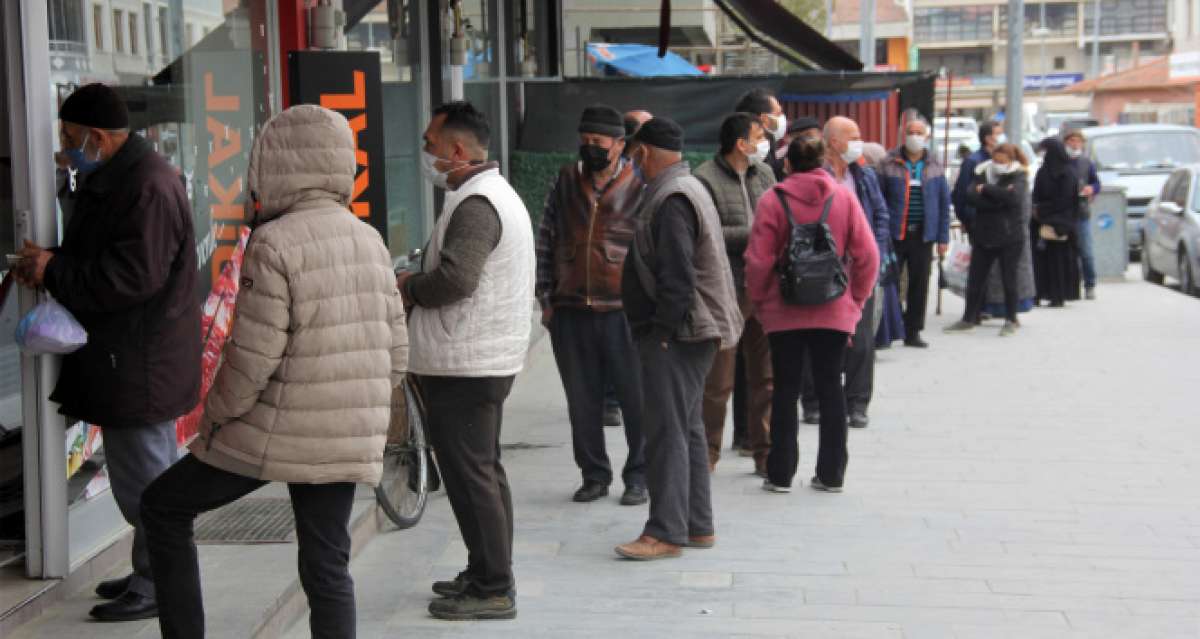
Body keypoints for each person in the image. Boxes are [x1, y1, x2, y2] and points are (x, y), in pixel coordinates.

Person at [138, 105, 406, 639]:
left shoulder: (275, 242)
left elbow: (251, 359)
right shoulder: (370, 239)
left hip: (272, 428)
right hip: (344, 434)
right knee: (328, 565)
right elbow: (397, 353)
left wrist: (213, 419)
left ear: (275, 166)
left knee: (162, 507)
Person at [13, 83, 199, 622]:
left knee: (147, 481)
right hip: (135, 357)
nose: (64, 150)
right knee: (146, 476)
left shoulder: (147, 186)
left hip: (139, 361)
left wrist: (54, 270)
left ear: (96, 137)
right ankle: (150, 570)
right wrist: (54, 261)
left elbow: (129, 278)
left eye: (70, 139)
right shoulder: (126, 178)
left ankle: (162, 581)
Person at [401, 101, 535, 620]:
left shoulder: (477, 204)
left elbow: (456, 280)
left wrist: (408, 285)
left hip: (468, 362)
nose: (426, 153)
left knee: (471, 472)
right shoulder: (483, 195)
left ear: (457, 150)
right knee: (482, 470)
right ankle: (486, 569)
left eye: (430, 144)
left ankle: (493, 587)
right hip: (476, 357)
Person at [615, 117, 742, 561]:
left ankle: (665, 531)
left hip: (681, 333)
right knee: (686, 428)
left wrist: (663, 334)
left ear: (644, 153)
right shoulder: (687, 187)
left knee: (666, 431)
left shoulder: (671, 197)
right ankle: (696, 523)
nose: (632, 164)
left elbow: (677, 277)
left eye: (632, 155)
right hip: (693, 330)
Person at [745, 136, 879, 493]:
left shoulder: (772, 200)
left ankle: (780, 474)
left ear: (788, 165)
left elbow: (758, 261)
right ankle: (832, 474)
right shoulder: (844, 198)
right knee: (831, 389)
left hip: (783, 312)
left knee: (786, 390)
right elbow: (868, 256)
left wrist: (761, 303)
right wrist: (855, 302)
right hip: (834, 310)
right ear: (825, 162)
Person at [536, 105, 647, 506]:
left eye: (598, 143)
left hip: (624, 311)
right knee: (581, 402)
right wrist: (546, 301)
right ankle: (594, 474)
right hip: (570, 310)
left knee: (636, 401)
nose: (590, 149)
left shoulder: (640, 185)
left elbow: (650, 250)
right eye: (585, 142)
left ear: (620, 144)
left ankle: (639, 476)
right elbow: (546, 240)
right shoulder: (565, 180)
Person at [694, 112, 776, 474]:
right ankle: (707, 454)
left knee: (766, 377)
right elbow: (705, 232)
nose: (764, 142)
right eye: (759, 136)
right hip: (723, 288)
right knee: (718, 380)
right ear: (741, 144)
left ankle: (764, 453)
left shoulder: (766, 175)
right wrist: (754, 233)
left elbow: (776, 221)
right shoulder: (703, 179)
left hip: (764, 286)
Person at [798, 116, 890, 429]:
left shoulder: (864, 176)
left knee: (862, 340)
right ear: (834, 142)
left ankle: (858, 402)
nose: (858, 142)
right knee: (818, 338)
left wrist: (873, 251)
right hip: (821, 270)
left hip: (858, 269)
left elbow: (880, 215)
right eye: (853, 136)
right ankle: (813, 402)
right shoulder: (814, 177)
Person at [879, 115, 951, 348]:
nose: (915, 137)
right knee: (890, 281)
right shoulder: (888, 162)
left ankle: (913, 331)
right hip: (894, 233)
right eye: (911, 132)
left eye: (920, 133)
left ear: (927, 137)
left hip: (924, 234)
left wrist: (943, 237)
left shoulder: (935, 165)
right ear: (904, 135)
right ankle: (894, 324)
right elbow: (879, 199)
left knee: (919, 284)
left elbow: (943, 204)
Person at [944, 143, 1030, 336]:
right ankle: (968, 317)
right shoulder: (982, 171)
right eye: (995, 159)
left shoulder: (1019, 175)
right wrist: (997, 197)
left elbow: (1014, 199)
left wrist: (987, 190)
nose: (998, 163)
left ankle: (1011, 318)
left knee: (1009, 278)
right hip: (983, 234)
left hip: (1010, 236)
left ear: (1011, 160)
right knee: (975, 278)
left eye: (1002, 160)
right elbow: (971, 195)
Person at [862, 142, 907, 349]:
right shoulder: (873, 174)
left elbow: (880, 210)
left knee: (882, 291)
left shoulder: (868, 176)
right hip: (880, 240)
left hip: (878, 241)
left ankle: (879, 336)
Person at [1031, 137, 1082, 308]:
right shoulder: (1043, 171)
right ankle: (1039, 292)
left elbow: (1065, 200)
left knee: (1059, 261)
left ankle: (1058, 295)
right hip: (1042, 223)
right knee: (1041, 260)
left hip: (1061, 224)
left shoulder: (1067, 173)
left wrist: (1043, 210)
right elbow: (1036, 194)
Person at [1063, 128, 1101, 300]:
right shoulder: (1060, 161)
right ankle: (1070, 286)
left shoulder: (1086, 162)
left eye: (1078, 141)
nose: (1075, 144)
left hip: (1082, 211)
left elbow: (1096, 183)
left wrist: (1091, 189)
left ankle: (1090, 284)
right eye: (1071, 141)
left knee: (1086, 251)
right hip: (1063, 212)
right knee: (1067, 252)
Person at [952, 121, 1003, 238]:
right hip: (978, 222)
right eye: (999, 134)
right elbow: (961, 193)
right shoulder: (973, 161)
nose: (1002, 138)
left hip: (999, 223)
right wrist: (967, 219)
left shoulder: (1003, 161)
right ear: (988, 139)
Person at [734, 88, 789, 180]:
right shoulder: (753, 152)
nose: (783, 118)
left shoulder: (769, 142)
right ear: (765, 119)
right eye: (778, 114)